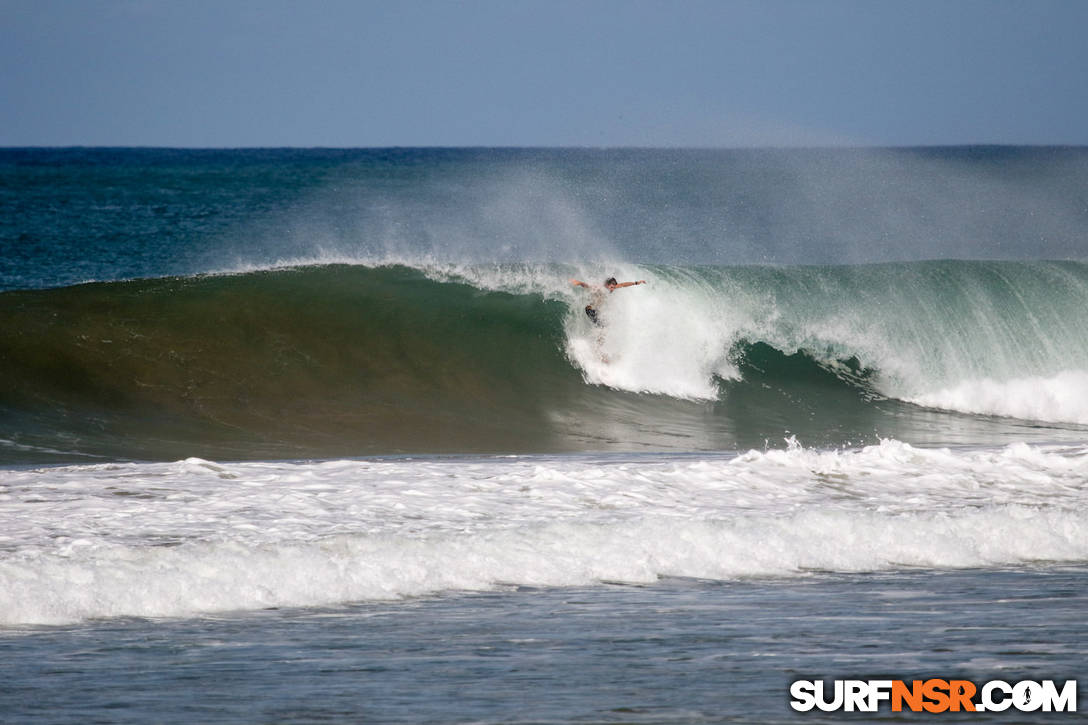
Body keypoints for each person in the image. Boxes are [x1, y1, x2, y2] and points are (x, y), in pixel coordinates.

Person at [570, 276, 647, 325]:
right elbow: (588, 286)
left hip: (596, 311)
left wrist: (636, 283)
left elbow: (623, 284)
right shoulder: (600, 288)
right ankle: (597, 348)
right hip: (590, 310)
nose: (613, 289)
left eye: (614, 287)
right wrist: (580, 283)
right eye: (611, 287)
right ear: (607, 285)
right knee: (602, 328)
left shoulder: (611, 287)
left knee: (603, 328)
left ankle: (598, 348)